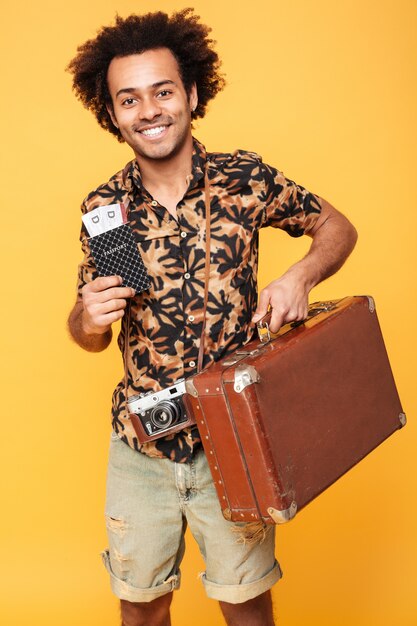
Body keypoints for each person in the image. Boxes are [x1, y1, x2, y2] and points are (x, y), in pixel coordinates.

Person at [67, 9, 357, 626]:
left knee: (246, 604)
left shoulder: (244, 179)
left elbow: (337, 226)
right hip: (140, 444)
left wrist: (299, 275)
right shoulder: (103, 209)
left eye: (163, 91)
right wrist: (88, 321)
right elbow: (89, 334)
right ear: (112, 114)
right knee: (141, 608)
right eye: (129, 99)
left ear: (192, 93)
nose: (148, 110)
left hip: (234, 436)